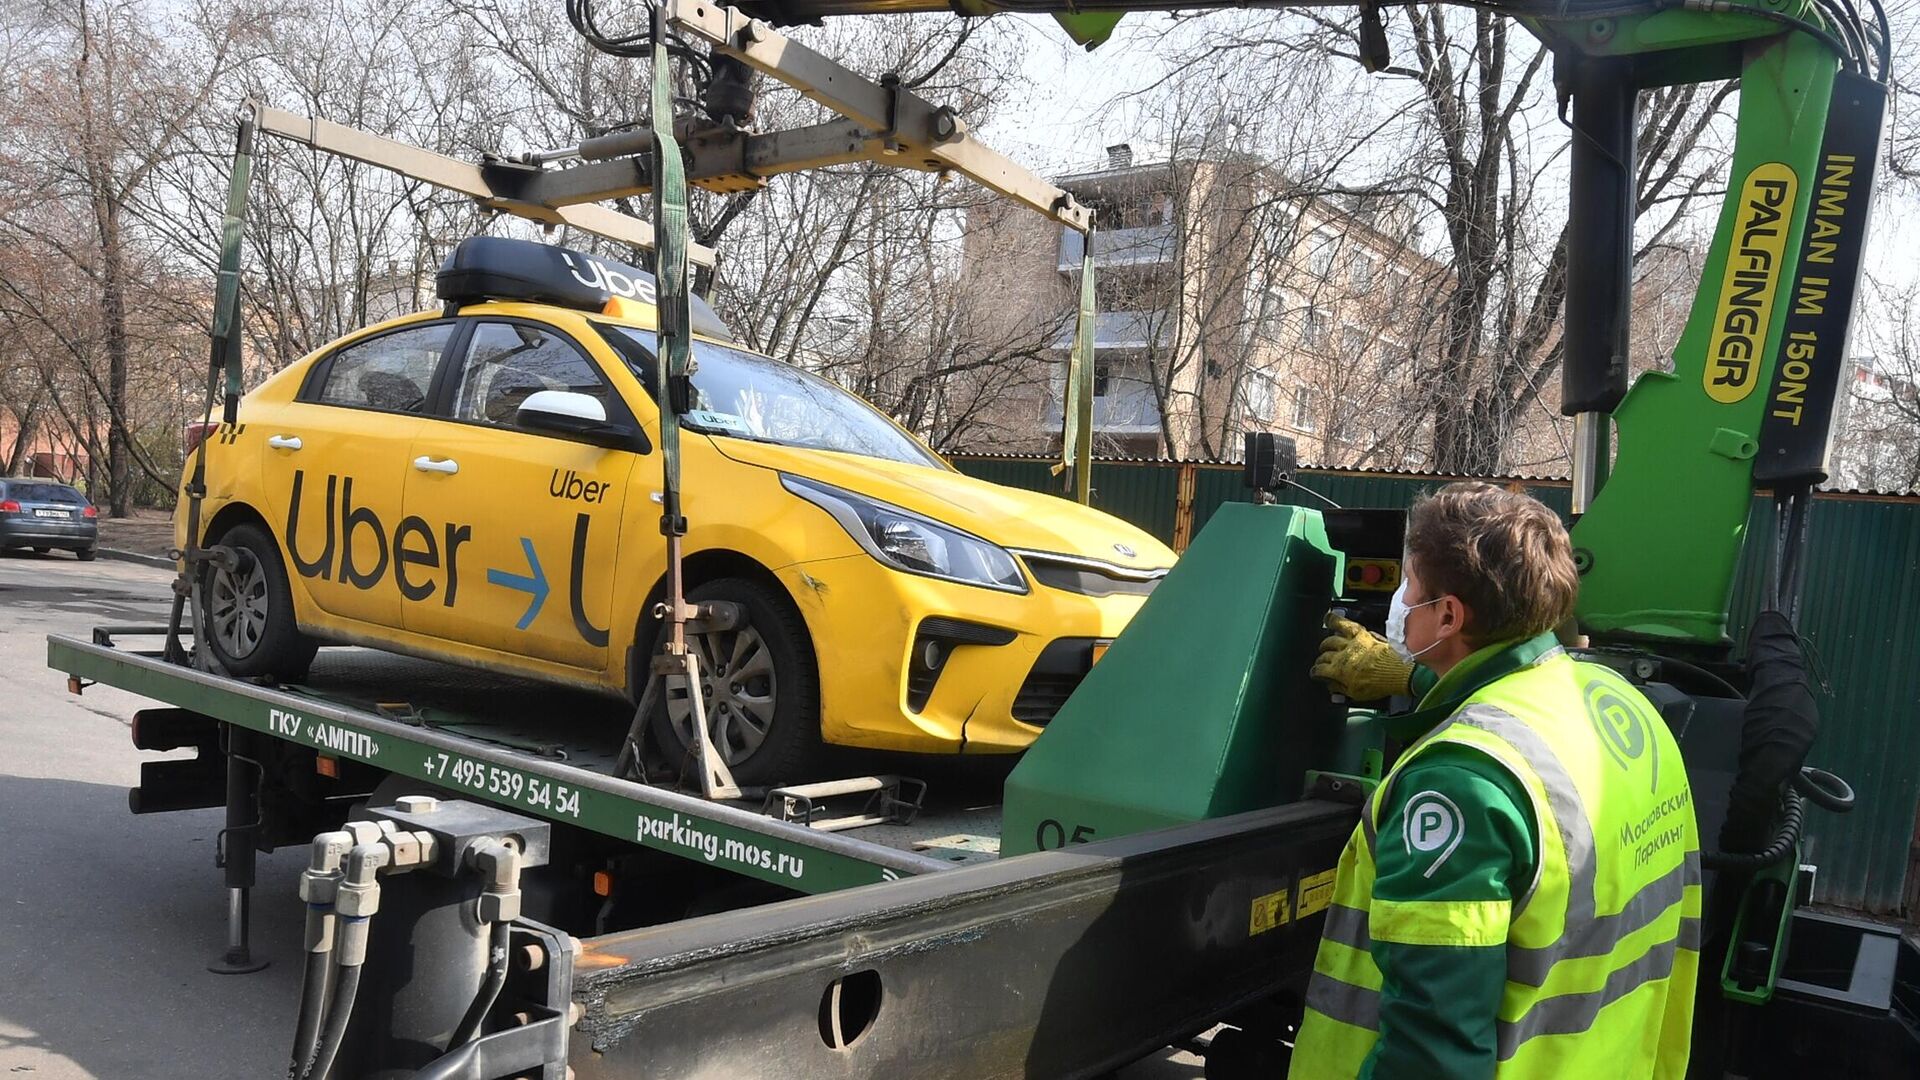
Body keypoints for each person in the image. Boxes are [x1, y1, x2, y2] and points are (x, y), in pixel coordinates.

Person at [1290, 482, 1700, 1079]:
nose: (1401, 599)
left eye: (1410, 585)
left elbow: (1434, 1054)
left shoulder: (1459, 784)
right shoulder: (1618, 704)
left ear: (1449, 615)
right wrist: (1411, 679)